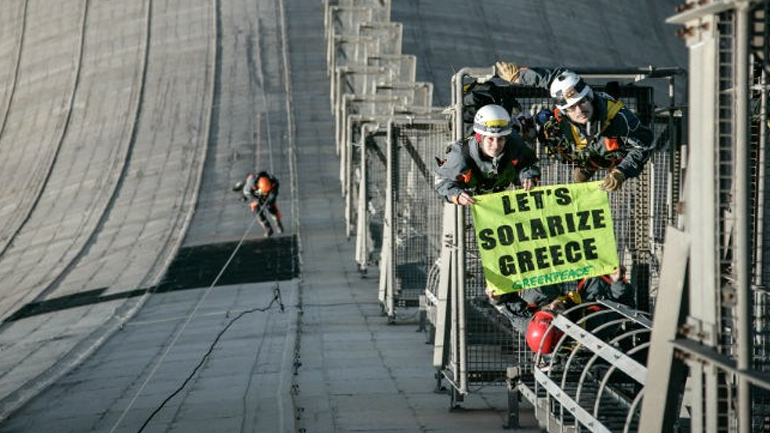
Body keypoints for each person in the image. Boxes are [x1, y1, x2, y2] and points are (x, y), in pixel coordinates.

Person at [495, 62, 654, 192]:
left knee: (605, 143)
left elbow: (644, 144)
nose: (579, 111)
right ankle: (586, 163)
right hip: (578, 140)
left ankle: (593, 164)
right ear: (564, 111)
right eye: (571, 107)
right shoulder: (568, 88)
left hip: (606, 147)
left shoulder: (620, 120)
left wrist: (622, 172)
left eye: (582, 102)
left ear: (589, 96)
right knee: (546, 128)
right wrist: (519, 77)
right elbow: (550, 78)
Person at [434, 104, 540, 205]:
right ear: (480, 138)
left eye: (501, 139)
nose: (496, 145)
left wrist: (528, 176)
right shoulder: (461, 156)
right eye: (490, 139)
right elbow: (441, 180)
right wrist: (456, 195)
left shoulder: (514, 143)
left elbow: (528, 164)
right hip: (475, 203)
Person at [235, 170, 284, 237]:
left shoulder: (273, 181)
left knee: (272, 208)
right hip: (256, 193)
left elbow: (275, 192)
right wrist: (257, 200)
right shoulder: (250, 184)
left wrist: (271, 199)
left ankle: (278, 223)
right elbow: (248, 193)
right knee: (257, 212)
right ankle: (268, 228)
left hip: (266, 192)